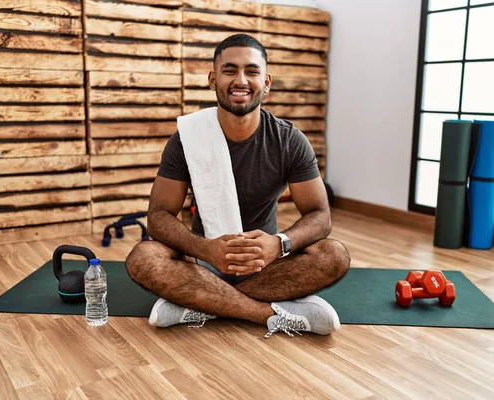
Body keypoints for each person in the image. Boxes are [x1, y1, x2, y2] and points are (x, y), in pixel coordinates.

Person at [125, 33, 351, 338]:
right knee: (144, 258)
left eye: (252, 71)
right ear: (212, 79)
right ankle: (266, 314)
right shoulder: (187, 138)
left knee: (333, 255)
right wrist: (205, 248)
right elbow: (159, 216)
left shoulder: (289, 140)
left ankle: (200, 302)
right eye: (229, 70)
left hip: (267, 263)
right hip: (203, 263)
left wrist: (279, 244)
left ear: (266, 82)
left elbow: (320, 215)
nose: (240, 80)